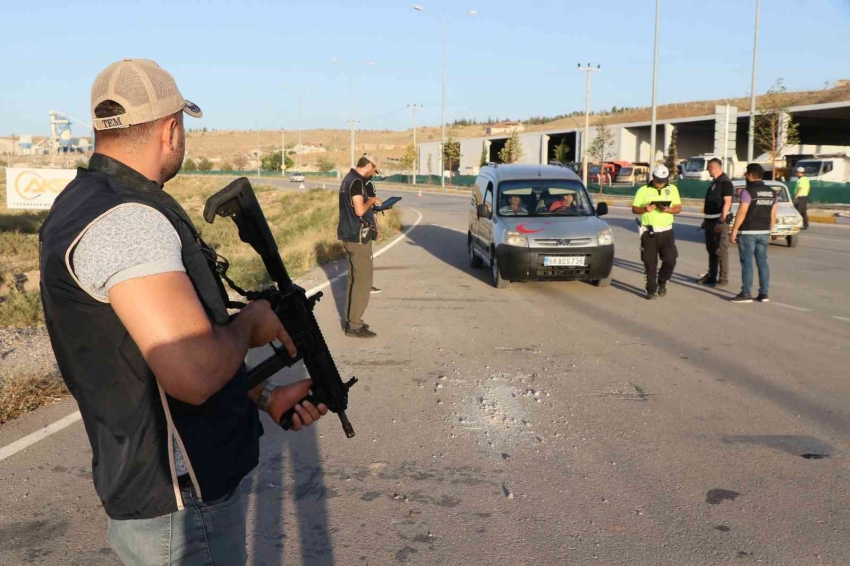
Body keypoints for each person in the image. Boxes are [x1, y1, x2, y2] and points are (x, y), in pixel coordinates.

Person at [39, 59, 327, 566]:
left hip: (155, 486)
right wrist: (250, 327)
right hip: (182, 503)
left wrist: (264, 396)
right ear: (171, 130)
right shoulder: (128, 222)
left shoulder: (84, 203)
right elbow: (191, 373)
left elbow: (148, 347)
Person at [338, 154, 382, 337]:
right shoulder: (356, 181)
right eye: (374, 170)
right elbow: (359, 210)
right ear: (369, 165)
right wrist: (372, 200)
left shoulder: (348, 179)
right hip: (357, 237)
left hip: (349, 235)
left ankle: (351, 322)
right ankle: (354, 325)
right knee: (363, 282)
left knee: (353, 280)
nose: (374, 173)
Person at [632, 164, 682, 300]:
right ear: (653, 177)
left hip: (667, 232)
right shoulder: (643, 190)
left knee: (671, 260)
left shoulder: (673, 189)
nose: (660, 184)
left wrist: (668, 210)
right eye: (658, 181)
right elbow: (635, 209)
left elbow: (678, 208)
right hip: (649, 233)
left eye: (663, 181)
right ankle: (651, 289)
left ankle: (663, 281)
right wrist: (645, 209)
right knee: (649, 263)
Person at [730, 163, 777, 304]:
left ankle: (746, 293)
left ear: (750, 175)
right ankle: (764, 293)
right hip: (764, 231)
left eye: (746, 174)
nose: (745, 176)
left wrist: (734, 231)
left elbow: (742, 212)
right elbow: (773, 214)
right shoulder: (772, 192)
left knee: (747, 263)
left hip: (748, 231)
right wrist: (770, 230)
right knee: (762, 262)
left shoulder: (748, 192)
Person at [697, 158, 733, 287]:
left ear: (713, 167)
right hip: (710, 221)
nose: (708, 171)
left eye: (708, 168)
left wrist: (722, 220)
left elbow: (727, 202)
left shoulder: (725, 182)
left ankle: (723, 279)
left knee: (721, 250)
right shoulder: (714, 183)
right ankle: (712, 276)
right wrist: (705, 221)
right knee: (711, 250)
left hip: (719, 221)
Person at [364, 179, 382, 295]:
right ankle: (366, 286)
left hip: (357, 227)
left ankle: (360, 285)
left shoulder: (353, 183)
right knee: (367, 257)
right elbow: (371, 206)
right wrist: (376, 226)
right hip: (367, 226)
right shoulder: (368, 184)